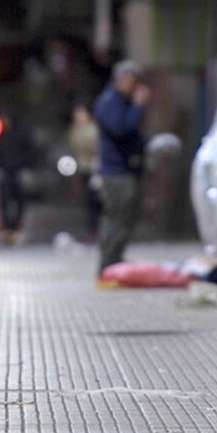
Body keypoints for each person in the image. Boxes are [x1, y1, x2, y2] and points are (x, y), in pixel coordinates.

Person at [93, 60, 149, 277]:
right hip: (115, 173)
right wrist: (138, 106)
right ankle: (108, 265)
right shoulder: (110, 102)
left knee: (124, 220)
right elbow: (121, 128)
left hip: (125, 171)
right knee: (116, 220)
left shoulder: (120, 101)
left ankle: (114, 263)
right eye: (132, 82)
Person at [0, 114, 34, 245]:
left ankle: (16, 229)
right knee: (4, 201)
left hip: (17, 172)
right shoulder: (0, 137)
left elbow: (29, 153)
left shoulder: (20, 136)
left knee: (20, 201)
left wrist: (25, 167)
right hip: (5, 173)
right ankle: (7, 229)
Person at [68, 103, 102, 240]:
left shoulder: (93, 129)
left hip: (94, 167)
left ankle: (98, 229)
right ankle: (91, 229)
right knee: (87, 200)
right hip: (83, 168)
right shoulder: (74, 130)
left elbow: (96, 147)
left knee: (96, 199)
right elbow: (74, 147)